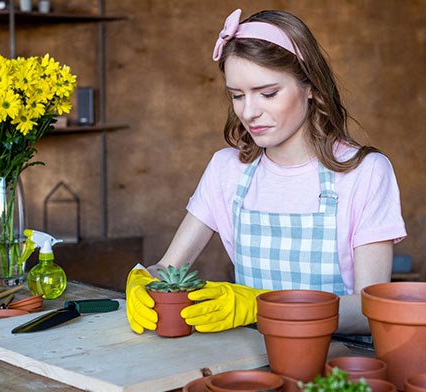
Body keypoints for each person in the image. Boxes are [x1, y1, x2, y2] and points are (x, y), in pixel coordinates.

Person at [126, 8, 406, 336]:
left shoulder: (365, 173)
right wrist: (142, 280)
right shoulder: (225, 170)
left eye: (268, 93)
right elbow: (168, 267)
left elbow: (368, 310)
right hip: (249, 360)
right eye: (237, 96)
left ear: (311, 86)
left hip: (337, 362)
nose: (249, 111)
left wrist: (258, 304)